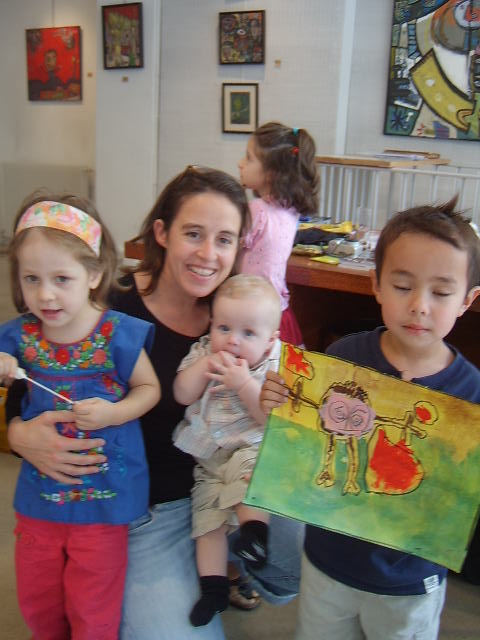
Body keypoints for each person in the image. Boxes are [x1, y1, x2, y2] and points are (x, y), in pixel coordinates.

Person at [7, 166, 304, 640]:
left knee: (298, 557)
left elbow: (290, 396)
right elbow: (35, 370)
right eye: (193, 233)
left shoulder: (244, 313)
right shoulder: (108, 306)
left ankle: (227, 565)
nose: (208, 254)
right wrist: (18, 433)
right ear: (162, 233)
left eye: (225, 239)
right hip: (148, 506)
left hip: (233, 481)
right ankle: (196, 570)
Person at [259, 198, 480, 640]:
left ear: (467, 300)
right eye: (402, 285)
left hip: (410, 578)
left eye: (440, 293)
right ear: (376, 284)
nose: (419, 305)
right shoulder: (343, 357)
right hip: (328, 561)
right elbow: (307, 442)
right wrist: (279, 403)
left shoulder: (471, 392)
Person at [0, 194, 160, 639]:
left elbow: (149, 390)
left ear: (93, 274)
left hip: (104, 506)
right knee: (40, 600)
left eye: (61, 278)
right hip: (39, 502)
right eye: (31, 279)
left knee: (94, 608)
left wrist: (114, 413)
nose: (45, 294)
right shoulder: (18, 335)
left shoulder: (118, 334)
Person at [173, 274, 282, 626]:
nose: (232, 340)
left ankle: (255, 535)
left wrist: (245, 384)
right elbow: (182, 394)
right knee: (206, 523)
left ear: (270, 341)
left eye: (248, 333)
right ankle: (214, 588)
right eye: (224, 328)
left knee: (250, 485)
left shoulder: (273, 368)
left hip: (249, 449)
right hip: (208, 459)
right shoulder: (204, 352)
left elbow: (271, 420)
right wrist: (203, 367)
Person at [237, 121, 319, 345]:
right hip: (279, 311)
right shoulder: (290, 211)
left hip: (251, 311)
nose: (240, 164)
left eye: (249, 158)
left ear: (271, 173)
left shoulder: (257, 211)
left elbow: (230, 252)